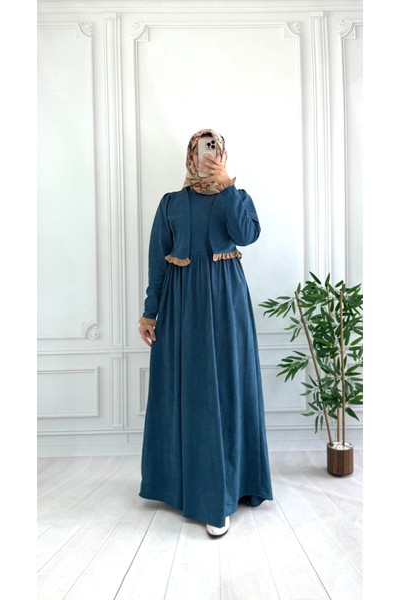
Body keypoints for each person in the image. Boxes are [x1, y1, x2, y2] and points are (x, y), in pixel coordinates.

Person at [138, 128, 273, 537]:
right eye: (200, 150)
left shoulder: (238, 196)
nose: (206, 156)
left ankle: (224, 492)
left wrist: (227, 185)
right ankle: (185, 487)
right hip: (181, 308)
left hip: (227, 305)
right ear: (190, 156)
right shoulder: (171, 203)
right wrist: (149, 313)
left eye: (213, 150)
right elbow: (158, 260)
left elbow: (247, 235)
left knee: (227, 389)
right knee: (189, 393)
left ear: (223, 155)